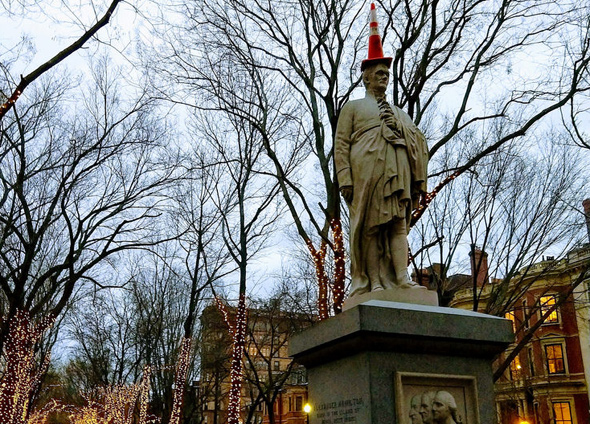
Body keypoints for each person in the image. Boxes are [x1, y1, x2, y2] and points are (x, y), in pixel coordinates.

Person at [334, 7, 428, 296]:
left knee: (398, 225)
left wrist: (417, 175)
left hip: (396, 174)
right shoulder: (352, 107)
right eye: (379, 73)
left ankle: (401, 276)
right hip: (367, 175)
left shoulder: (399, 112)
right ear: (366, 77)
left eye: (387, 73)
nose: (384, 77)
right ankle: (374, 281)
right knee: (371, 228)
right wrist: (345, 178)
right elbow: (341, 145)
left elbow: (417, 143)